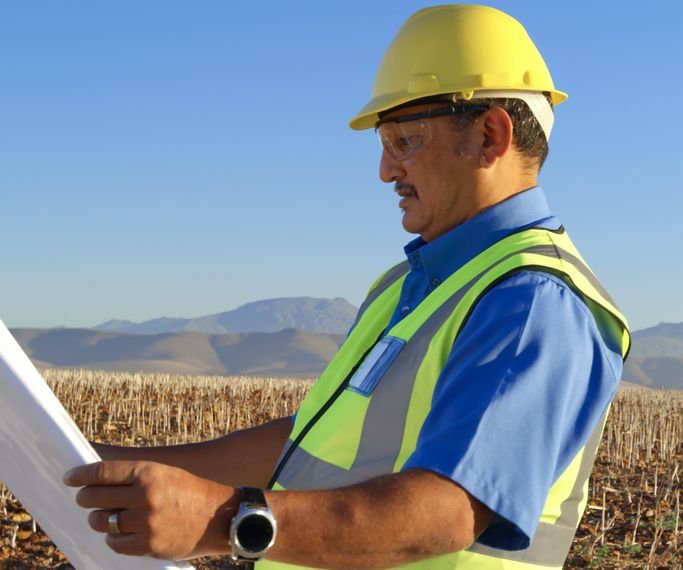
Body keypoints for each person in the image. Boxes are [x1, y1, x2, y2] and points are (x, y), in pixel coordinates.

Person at [64, 5, 630, 569]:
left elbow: (449, 510)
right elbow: (304, 448)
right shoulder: (409, 285)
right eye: (384, 142)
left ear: (489, 136)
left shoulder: (531, 299)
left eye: (405, 139)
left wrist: (222, 518)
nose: (386, 170)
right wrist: (94, 464)